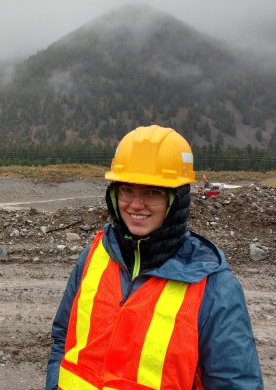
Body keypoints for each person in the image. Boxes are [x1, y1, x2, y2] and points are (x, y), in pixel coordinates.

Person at [46, 125, 263, 389]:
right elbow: (62, 339)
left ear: (177, 199)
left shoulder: (214, 287)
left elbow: (235, 383)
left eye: (152, 192)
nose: (136, 204)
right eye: (127, 189)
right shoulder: (94, 256)